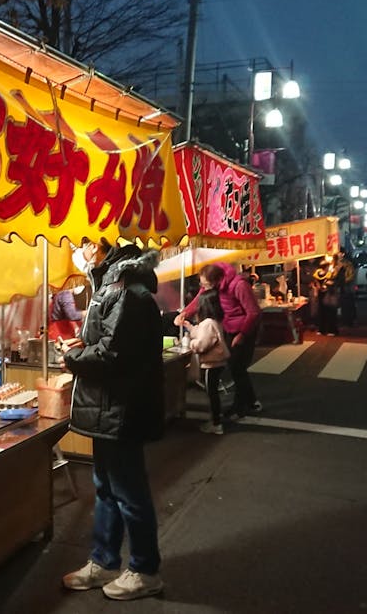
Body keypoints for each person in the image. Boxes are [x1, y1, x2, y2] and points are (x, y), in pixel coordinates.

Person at [60, 240, 166, 601]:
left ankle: (145, 569)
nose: (78, 249)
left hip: (120, 408)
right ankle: (104, 561)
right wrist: (82, 345)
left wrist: (74, 356)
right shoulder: (110, 285)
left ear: (101, 247)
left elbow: (113, 354)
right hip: (107, 406)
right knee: (106, 487)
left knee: (128, 491)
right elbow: (106, 341)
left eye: (83, 243)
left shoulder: (125, 291)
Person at [203, 262, 262, 420]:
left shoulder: (239, 285)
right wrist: (184, 313)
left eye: (207, 284)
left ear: (217, 280)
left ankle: (240, 407)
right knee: (236, 367)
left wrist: (242, 334)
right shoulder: (216, 285)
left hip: (245, 329)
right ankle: (251, 402)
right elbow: (199, 298)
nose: (205, 287)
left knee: (238, 368)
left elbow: (254, 312)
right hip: (230, 328)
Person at [182, 290, 230, 435]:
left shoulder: (208, 323)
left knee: (211, 393)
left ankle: (216, 424)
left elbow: (202, 344)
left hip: (211, 363)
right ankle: (216, 419)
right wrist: (189, 327)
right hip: (216, 363)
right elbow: (201, 333)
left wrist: (191, 343)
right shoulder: (213, 322)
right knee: (212, 392)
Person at [312, 254, 342, 336]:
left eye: (330, 256)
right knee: (321, 310)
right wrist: (318, 284)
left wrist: (331, 284)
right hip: (321, 291)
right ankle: (322, 329)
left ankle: (332, 329)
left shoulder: (338, 267)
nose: (328, 258)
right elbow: (317, 277)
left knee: (331, 310)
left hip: (331, 291)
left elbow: (340, 280)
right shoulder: (322, 265)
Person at [337, 251, 357, 327]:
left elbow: (351, 276)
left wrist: (344, 281)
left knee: (348, 304)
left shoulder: (348, 264)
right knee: (342, 304)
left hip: (347, 287)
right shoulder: (336, 263)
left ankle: (349, 320)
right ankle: (345, 320)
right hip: (341, 287)